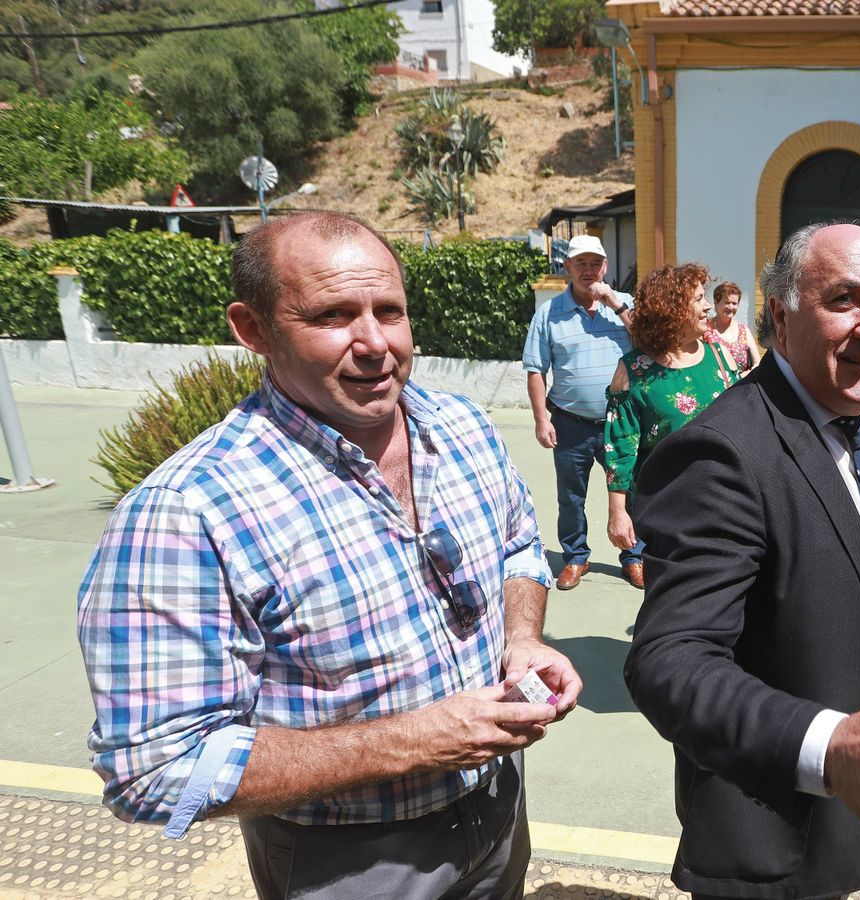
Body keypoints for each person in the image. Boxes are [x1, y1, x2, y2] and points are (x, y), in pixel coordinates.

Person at [77, 213, 582, 898]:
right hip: (349, 863)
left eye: (389, 311)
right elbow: (154, 768)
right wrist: (411, 742)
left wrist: (522, 640)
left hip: (497, 809)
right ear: (253, 329)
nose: (375, 343)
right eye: (331, 316)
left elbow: (519, 547)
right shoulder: (188, 511)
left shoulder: (463, 427)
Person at [624, 223, 860, 899]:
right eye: (845, 299)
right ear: (782, 320)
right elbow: (667, 661)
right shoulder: (723, 454)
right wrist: (831, 747)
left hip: (844, 823)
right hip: (769, 837)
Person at [602, 263, 739, 583]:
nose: (708, 306)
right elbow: (620, 446)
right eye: (699, 299)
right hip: (664, 508)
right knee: (671, 588)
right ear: (672, 310)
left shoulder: (720, 355)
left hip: (724, 501)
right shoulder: (634, 370)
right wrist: (617, 511)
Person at [523, 233, 643, 591]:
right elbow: (535, 369)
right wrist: (541, 419)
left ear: (605, 267)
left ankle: (634, 556)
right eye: (581, 263)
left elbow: (648, 343)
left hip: (620, 423)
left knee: (631, 491)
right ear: (567, 267)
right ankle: (576, 557)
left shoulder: (625, 304)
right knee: (571, 497)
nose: (588, 270)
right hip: (570, 423)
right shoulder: (549, 314)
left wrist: (615, 304)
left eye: (595, 263)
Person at [706, 280, 761, 373]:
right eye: (727, 303)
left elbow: (758, 363)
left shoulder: (743, 330)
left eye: (734, 303)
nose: (731, 307)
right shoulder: (705, 329)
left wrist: (742, 377)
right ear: (716, 302)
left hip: (742, 381)